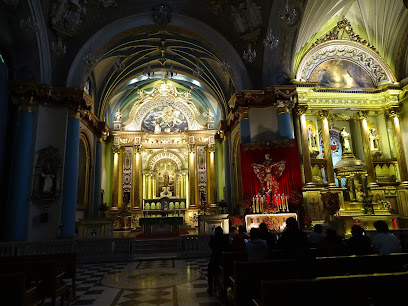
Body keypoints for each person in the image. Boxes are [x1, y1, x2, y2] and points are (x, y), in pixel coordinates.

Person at [207, 226, 230, 296]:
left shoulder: (213, 239)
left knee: (210, 271)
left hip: (215, 259)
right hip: (223, 260)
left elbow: (210, 245)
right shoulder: (225, 239)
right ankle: (218, 287)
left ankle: (210, 287)